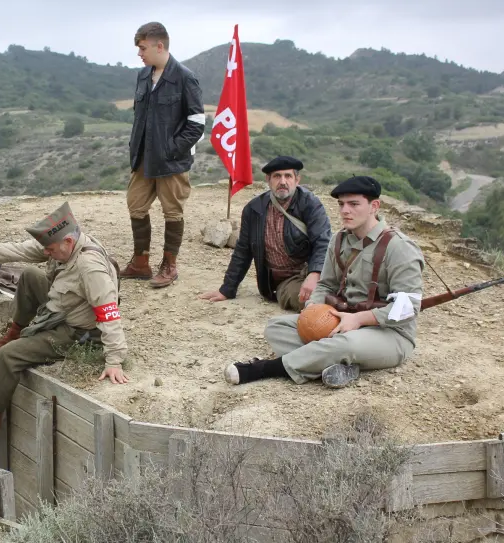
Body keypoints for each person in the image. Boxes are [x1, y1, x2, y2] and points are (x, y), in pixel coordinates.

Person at [224, 175, 425, 389]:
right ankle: (341, 366)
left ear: (374, 206)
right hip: (341, 322)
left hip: (389, 334)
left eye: (353, 204)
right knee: (277, 327)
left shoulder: (399, 247)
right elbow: (326, 285)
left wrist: (358, 319)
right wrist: (313, 309)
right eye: (341, 204)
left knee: (343, 344)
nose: (345, 210)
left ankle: (267, 368)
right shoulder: (339, 240)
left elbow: (407, 308)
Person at [0, 202, 128, 434]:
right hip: (65, 304)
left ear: (68, 242)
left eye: (50, 250)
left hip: (77, 331)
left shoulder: (90, 268)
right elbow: (19, 249)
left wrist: (114, 360)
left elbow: (108, 311)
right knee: (30, 275)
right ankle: (13, 332)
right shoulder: (64, 244)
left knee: (9, 355)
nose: (45, 253)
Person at [119, 21, 206, 289]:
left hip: (172, 161)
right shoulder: (143, 76)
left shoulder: (185, 77)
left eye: (142, 48)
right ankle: (140, 263)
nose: (139, 54)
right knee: (135, 205)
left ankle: (169, 266)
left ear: (160, 45)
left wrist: (171, 150)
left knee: (172, 212)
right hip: (143, 158)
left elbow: (197, 123)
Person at [199, 156, 332, 312]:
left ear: (297, 180)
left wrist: (315, 273)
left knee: (346, 292)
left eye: (288, 176)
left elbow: (323, 241)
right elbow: (243, 251)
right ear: (268, 180)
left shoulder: (310, 204)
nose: (283, 181)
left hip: (315, 271)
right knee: (313, 300)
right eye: (277, 176)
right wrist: (227, 289)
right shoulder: (254, 209)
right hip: (287, 280)